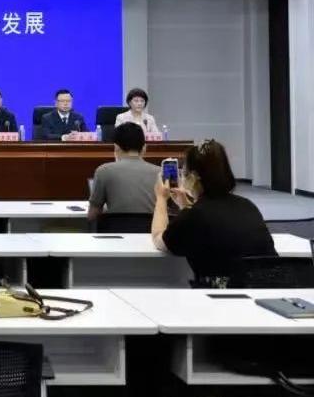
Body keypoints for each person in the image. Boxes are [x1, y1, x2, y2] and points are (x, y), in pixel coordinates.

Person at [151, 139, 277, 287]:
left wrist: (161, 198)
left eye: (184, 172)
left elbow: (159, 239)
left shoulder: (194, 216)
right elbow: (212, 218)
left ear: (193, 177)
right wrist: (186, 205)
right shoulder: (248, 206)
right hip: (267, 287)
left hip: (222, 292)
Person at [88, 123, 161, 221]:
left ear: (116, 147)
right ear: (144, 148)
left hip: (114, 229)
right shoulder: (160, 173)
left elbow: (92, 215)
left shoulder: (103, 171)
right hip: (152, 229)